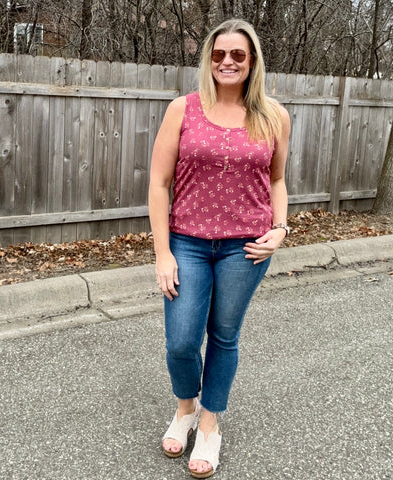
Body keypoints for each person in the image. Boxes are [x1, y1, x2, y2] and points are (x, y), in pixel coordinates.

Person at [148, 18, 291, 478]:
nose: (227, 62)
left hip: (245, 247)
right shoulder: (183, 109)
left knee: (224, 337)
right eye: (218, 54)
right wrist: (162, 252)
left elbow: (277, 180)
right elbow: (158, 182)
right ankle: (185, 408)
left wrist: (281, 229)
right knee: (182, 341)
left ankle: (209, 424)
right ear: (209, 58)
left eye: (238, 55)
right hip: (187, 242)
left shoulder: (274, 115)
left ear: (252, 63)